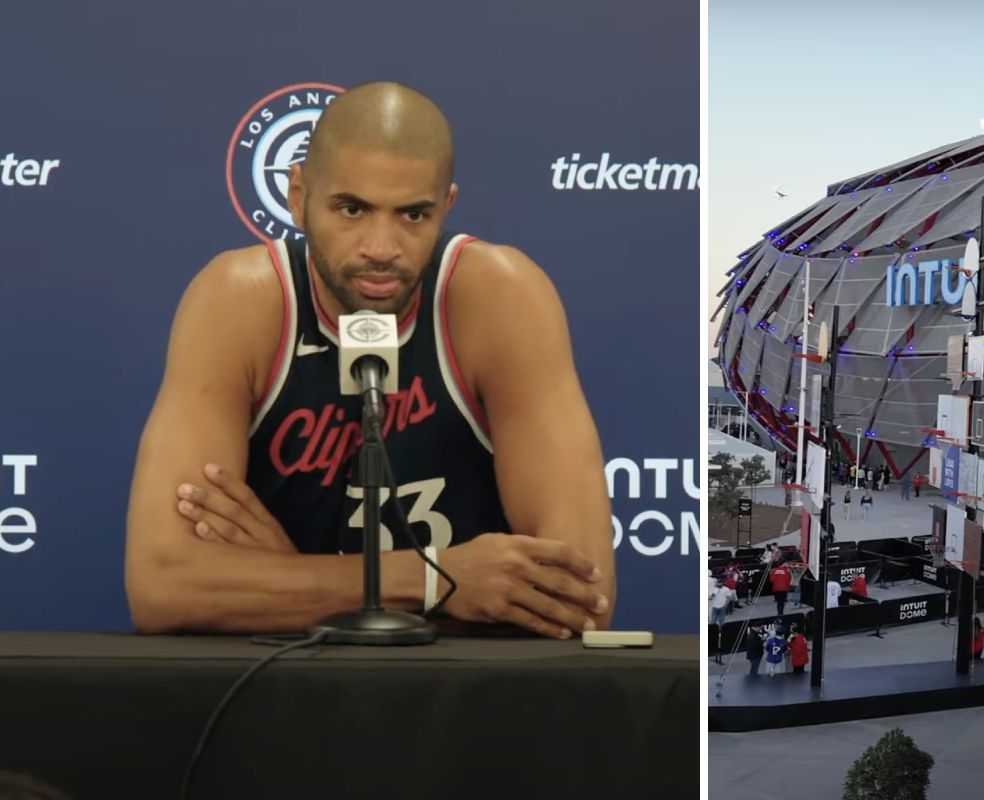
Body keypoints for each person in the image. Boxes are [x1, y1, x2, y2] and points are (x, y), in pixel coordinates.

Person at [123, 82, 615, 638]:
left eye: (413, 215)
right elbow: (163, 588)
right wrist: (441, 579)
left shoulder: (498, 296)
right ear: (297, 194)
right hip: (280, 689)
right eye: (352, 209)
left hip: (465, 693)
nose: (381, 247)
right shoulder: (240, 300)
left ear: (446, 206)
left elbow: (579, 597)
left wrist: (283, 577)